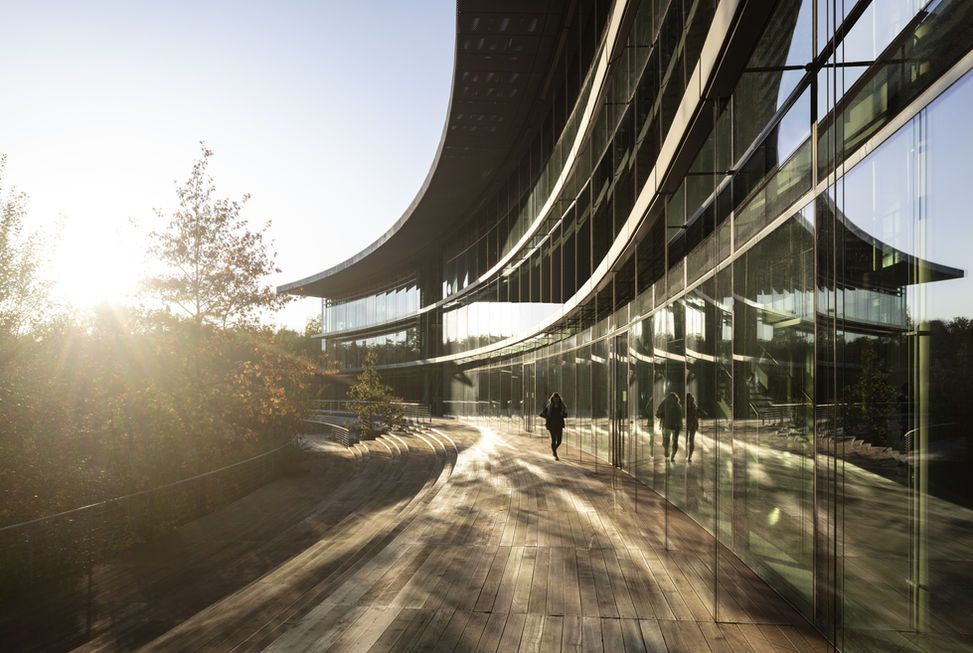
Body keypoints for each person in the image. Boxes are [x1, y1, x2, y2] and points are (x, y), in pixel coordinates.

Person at [655, 391, 683, 462]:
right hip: (676, 426)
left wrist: (661, 415)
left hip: (666, 425)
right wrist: (680, 425)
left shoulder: (664, 403)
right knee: (675, 441)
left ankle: (667, 451)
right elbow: (680, 416)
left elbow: (658, 412)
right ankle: (672, 456)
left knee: (666, 440)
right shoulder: (678, 405)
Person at [541, 392, 568, 460]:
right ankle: (555, 454)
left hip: (559, 425)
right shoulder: (549, 406)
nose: (556, 400)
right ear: (552, 399)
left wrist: (563, 414)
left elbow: (566, 415)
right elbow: (542, 414)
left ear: (559, 399)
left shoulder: (562, 406)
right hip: (551, 425)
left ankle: (554, 449)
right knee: (553, 439)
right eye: (555, 399)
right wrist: (548, 416)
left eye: (557, 399)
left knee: (559, 441)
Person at [685, 392, 698, 462]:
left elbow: (694, 416)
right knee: (690, 440)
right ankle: (688, 455)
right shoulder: (693, 405)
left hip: (692, 424)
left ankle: (689, 456)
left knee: (690, 440)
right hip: (691, 424)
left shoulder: (692, 406)